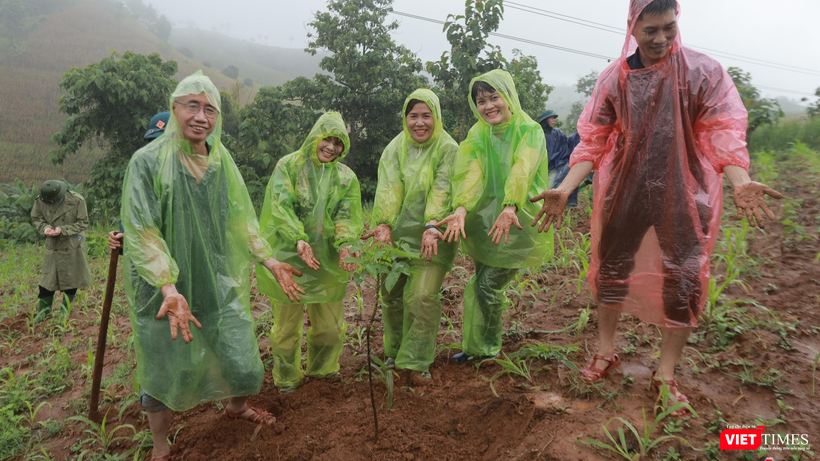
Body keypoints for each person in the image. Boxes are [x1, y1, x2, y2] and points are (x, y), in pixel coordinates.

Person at [530, 0, 783, 416]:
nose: (661, 38)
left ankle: (665, 374)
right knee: (611, 271)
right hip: (624, 189)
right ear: (633, 27)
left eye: (669, 27)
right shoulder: (615, 78)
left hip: (685, 192)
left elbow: (723, 132)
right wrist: (565, 187)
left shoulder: (702, 72)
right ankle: (605, 351)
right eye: (651, 30)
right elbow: (593, 141)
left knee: (684, 278)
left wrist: (740, 180)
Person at [120, 71, 304, 461]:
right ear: (174, 108)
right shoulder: (147, 162)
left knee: (243, 360)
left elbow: (240, 218)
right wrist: (169, 287)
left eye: (210, 109)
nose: (201, 116)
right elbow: (143, 230)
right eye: (193, 106)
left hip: (216, 280)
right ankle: (160, 446)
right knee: (162, 369)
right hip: (162, 289)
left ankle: (236, 407)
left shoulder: (220, 161)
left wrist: (269, 258)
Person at [436, 69, 553, 363]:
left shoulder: (529, 130)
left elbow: (522, 169)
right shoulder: (479, 134)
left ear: (508, 97)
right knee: (480, 284)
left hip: (517, 222)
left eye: (493, 97)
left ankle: (488, 349)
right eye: (481, 101)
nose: (488, 106)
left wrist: (510, 206)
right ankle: (476, 347)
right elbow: (471, 174)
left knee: (487, 286)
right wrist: (461, 209)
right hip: (485, 224)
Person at [257, 112, 363, 392]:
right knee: (286, 329)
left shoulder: (345, 177)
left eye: (338, 143)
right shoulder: (288, 166)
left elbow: (347, 215)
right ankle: (287, 379)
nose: (331, 147)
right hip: (289, 258)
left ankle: (323, 372)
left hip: (327, 262)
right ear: (315, 136)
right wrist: (298, 239)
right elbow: (281, 206)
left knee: (330, 328)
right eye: (327, 139)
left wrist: (346, 244)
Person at [364, 89, 459, 379]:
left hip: (433, 238)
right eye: (413, 116)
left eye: (426, 116)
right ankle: (395, 353)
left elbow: (443, 188)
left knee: (421, 297)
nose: (419, 122)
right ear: (405, 118)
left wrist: (431, 224)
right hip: (395, 238)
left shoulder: (448, 148)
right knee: (391, 296)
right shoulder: (395, 147)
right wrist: (384, 224)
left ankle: (415, 364)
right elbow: (389, 187)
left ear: (436, 117)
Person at [30, 180, 92, 322]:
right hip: (53, 244)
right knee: (48, 279)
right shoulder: (40, 201)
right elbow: (36, 218)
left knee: (71, 277)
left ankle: (65, 309)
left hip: (71, 243)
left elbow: (83, 223)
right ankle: (44, 311)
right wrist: (45, 228)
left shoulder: (77, 200)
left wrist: (62, 230)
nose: (52, 203)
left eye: (55, 201)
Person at [108, 111, 170, 249]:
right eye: (153, 142)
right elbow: (133, 208)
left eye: (164, 141)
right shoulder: (143, 170)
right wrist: (124, 237)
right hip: (151, 253)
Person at [537, 110, 582, 207]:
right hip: (543, 168)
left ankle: (555, 206)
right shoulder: (538, 134)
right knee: (543, 190)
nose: (554, 120)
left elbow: (569, 142)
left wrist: (580, 133)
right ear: (545, 120)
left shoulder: (558, 133)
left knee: (552, 187)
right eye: (551, 118)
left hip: (557, 166)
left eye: (554, 119)